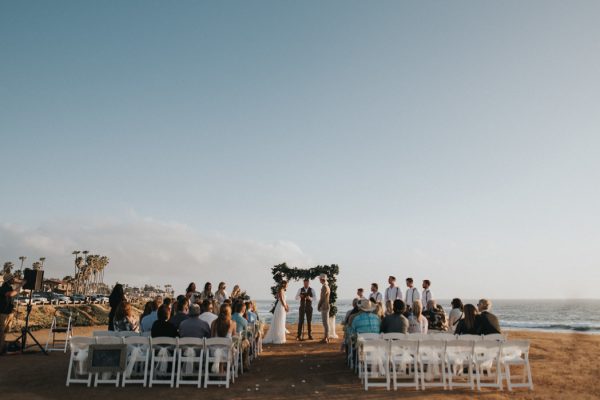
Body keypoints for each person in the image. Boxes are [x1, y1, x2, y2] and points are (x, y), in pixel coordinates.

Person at [0, 274, 25, 354]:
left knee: (5, 332)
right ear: (9, 280)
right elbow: (10, 294)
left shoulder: (10, 287)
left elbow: (13, 294)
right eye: (13, 279)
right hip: (3, 313)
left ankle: (2, 348)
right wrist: (21, 285)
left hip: (8, 313)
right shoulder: (3, 287)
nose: (14, 280)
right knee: (1, 332)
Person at [317, 274, 331, 343]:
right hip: (326, 306)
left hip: (324, 306)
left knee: (325, 323)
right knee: (326, 323)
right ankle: (327, 337)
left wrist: (318, 305)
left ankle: (326, 338)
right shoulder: (327, 286)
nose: (319, 280)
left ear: (322, 279)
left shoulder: (324, 287)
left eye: (319, 278)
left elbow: (322, 298)